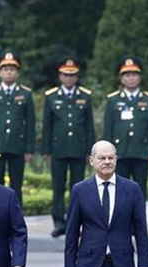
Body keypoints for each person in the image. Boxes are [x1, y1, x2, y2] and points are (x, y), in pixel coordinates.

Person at [42, 56, 95, 238]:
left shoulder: (85, 96)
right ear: (60, 76)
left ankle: (76, 222)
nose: (69, 78)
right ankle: (58, 222)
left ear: (77, 77)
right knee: (58, 187)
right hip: (58, 148)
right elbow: (47, 125)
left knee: (78, 188)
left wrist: (91, 149)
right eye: (66, 75)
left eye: (72, 75)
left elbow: (89, 125)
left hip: (79, 149)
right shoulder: (51, 96)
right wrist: (46, 149)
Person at [0, 51, 36, 206]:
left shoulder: (25, 93)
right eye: (5, 69)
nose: (9, 72)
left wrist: (30, 148)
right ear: (0, 72)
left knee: (16, 185)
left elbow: (30, 122)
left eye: (12, 69)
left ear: (17, 73)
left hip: (17, 145)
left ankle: (15, 217)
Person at [103, 56, 148, 199]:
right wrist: (106, 153)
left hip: (141, 151)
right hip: (119, 152)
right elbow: (108, 128)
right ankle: (121, 220)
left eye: (134, 75)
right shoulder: (113, 100)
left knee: (140, 190)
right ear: (121, 79)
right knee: (119, 190)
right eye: (127, 75)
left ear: (140, 78)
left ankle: (139, 220)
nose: (131, 78)